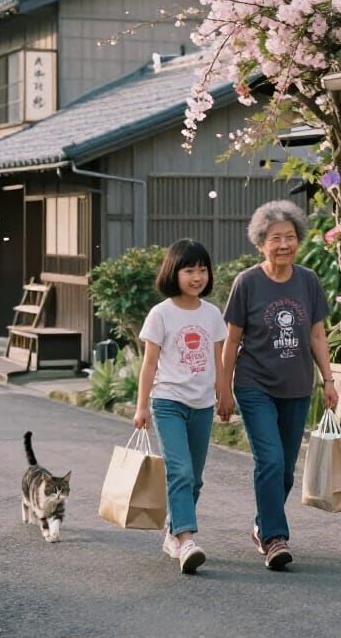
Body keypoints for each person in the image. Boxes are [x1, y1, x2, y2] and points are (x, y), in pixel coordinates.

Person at [219, 200, 337, 571]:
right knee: (268, 460)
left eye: (289, 237)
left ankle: (261, 523)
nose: (283, 244)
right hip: (255, 384)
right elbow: (231, 340)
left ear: (298, 240)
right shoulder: (248, 283)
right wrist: (224, 389)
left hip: (298, 385)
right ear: (260, 243)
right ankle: (275, 538)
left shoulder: (308, 280)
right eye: (275, 238)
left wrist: (329, 380)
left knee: (284, 469)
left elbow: (317, 334)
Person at [134, 239, 228, 575]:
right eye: (189, 270)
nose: (197, 276)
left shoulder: (212, 314)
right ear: (174, 272)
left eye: (202, 269)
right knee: (181, 471)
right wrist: (141, 405)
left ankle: (173, 532)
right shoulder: (161, 313)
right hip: (168, 402)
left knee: (195, 479)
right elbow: (149, 364)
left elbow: (218, 360)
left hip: (202, 405)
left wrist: (224, 393)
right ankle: (187, 540)